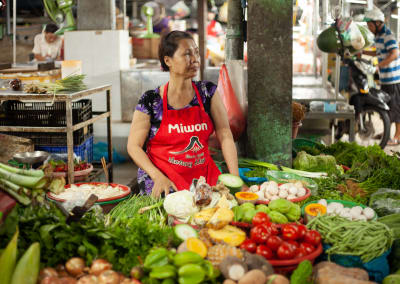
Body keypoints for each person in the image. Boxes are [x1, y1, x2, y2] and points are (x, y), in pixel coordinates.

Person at [127, 31, 239, 197]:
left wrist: (235, 178)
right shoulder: (151, 100)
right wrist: (157, 176)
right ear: (168, 60)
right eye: (187, 54)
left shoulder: (207, 93)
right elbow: (133, 146)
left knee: (215, 211)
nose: (195, 59)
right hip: (163, 175)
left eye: (196, 52)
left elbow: (224, 132)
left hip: (202, 174)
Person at [364, 7, 400, 145]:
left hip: (394, 79)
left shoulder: (388, 35)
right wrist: (362, 54)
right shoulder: (378, 37)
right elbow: (378, 53)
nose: (369, 28)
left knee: (396, 108)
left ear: (378, 23)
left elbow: (395, 53)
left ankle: (397, 136)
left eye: (370, 25)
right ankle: (387, 133)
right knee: (388, 107)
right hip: (386, 79)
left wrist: (380, 65)